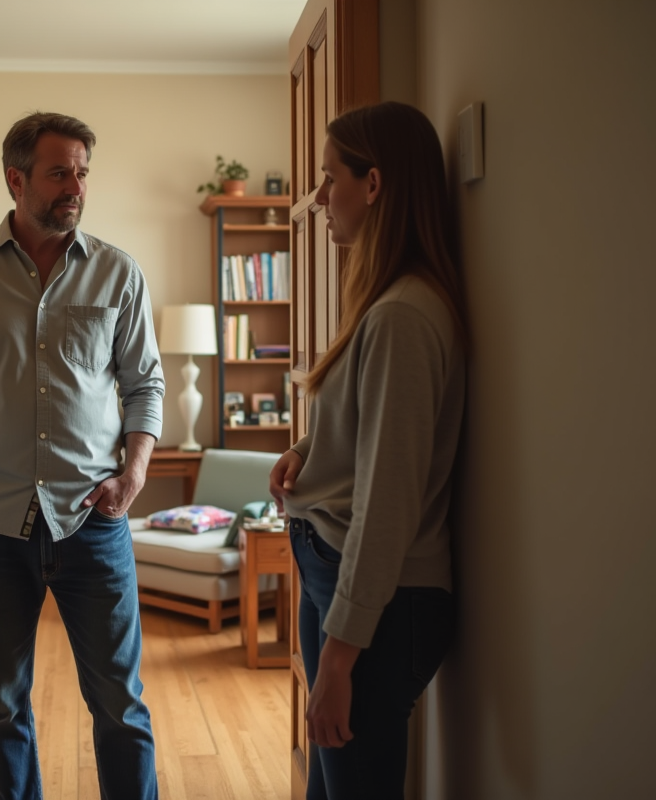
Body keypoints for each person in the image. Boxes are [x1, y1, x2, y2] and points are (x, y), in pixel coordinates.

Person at [0, 111, 163, 800]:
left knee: (121, 705)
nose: (75, 186)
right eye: (58, 172)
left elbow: (144, 386)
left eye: (81, 171)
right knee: (0, 704)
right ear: (16, 179)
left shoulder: (118, 273)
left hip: (93, 523)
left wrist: (134, 473)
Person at [269, 101, 467, 799]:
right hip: (350, 593)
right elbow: (372, 429)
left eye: (330, 177)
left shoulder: (403, 318)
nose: (321, 197)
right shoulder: (387, 305)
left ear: (374, 185)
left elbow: (388, 502)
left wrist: (340, 662)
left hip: (374, 609)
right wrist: (306, 448)